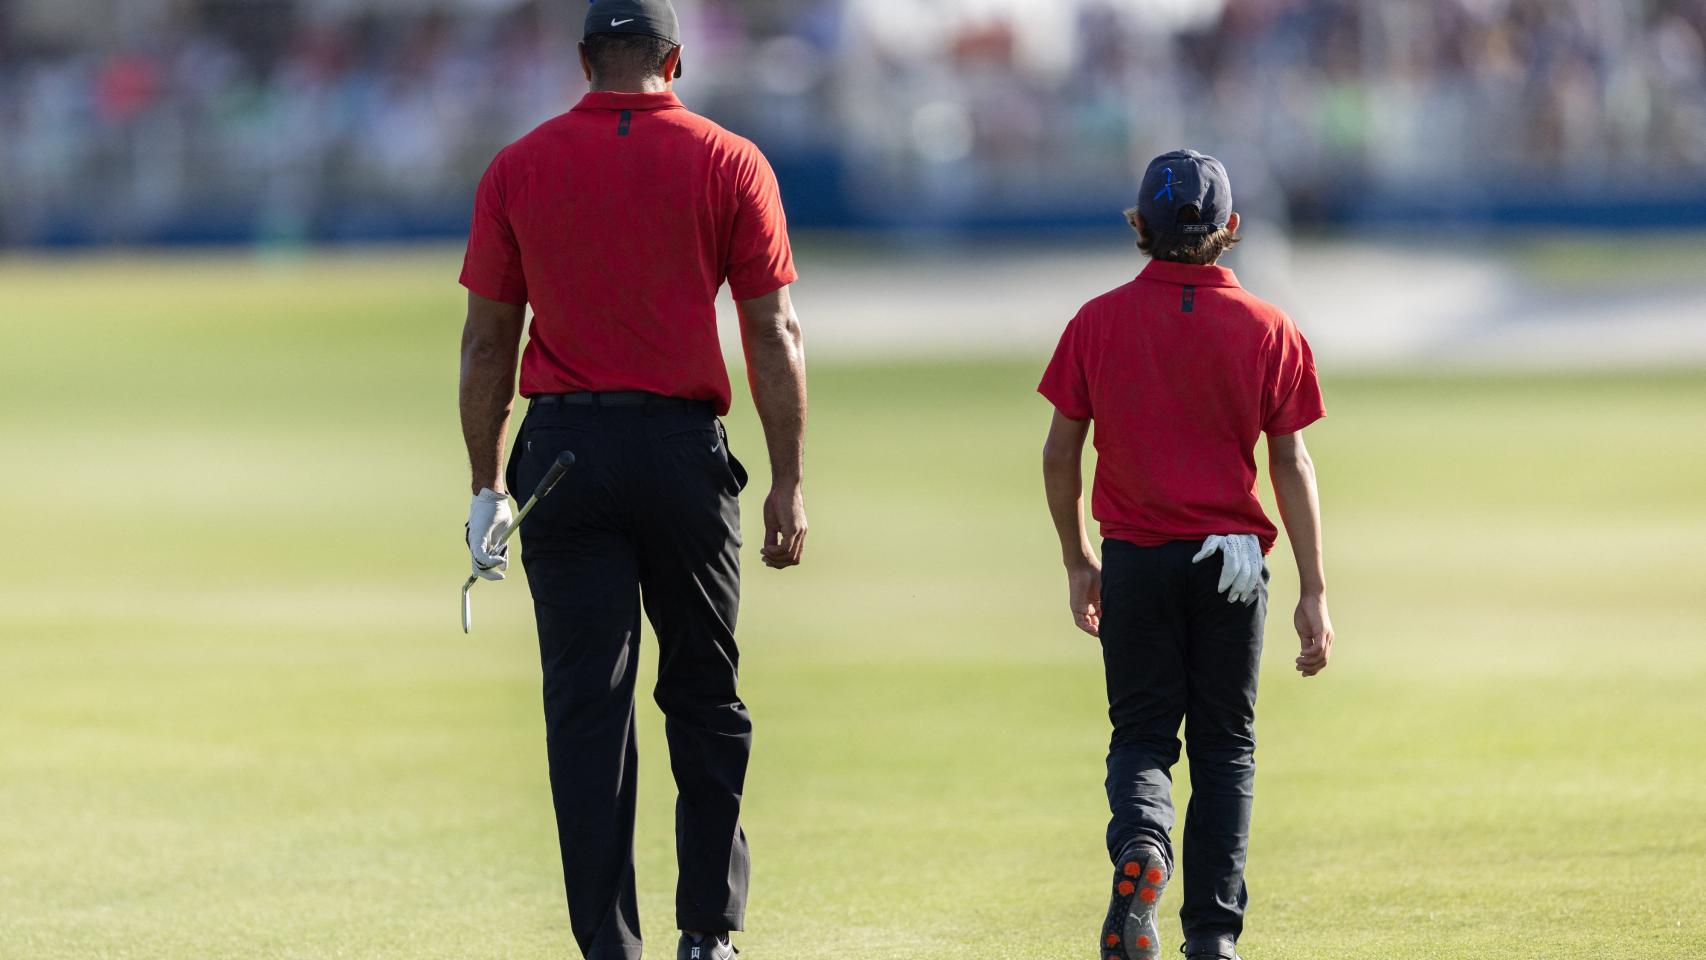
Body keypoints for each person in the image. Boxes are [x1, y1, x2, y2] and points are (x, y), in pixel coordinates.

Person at [456, 2, 808, 958]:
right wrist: (787, 479)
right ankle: (709, 933)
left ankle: (611, 947)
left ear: (584, 61)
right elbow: (773, 330)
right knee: (704, 692)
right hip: (682, 454)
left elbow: (487, 343)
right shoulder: (731, 161)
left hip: (564, 455)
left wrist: (487, 486)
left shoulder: (518, 167)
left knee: (587, 711)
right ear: (676, 60)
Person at [1037, 149, 1333, 960]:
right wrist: (1313, 588)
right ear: (1231, 228)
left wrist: (1078, 557)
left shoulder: (1096, 322)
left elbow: (1060, 452)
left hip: (1136, 558)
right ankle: (1211, 936)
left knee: (1141, 737)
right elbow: (1291, 462)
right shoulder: (1270, 328)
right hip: (1232, 564)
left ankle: (1143, 845)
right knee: (1225, 749)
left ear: (1139, 224)